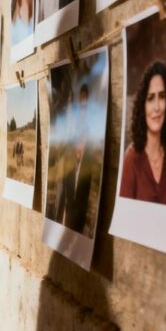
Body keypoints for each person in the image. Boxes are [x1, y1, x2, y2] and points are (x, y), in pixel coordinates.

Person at [119, 61, 166, 205]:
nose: (156, 107)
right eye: (150, 98)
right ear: (142, 106)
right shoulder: (131, 160)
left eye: (162, 96)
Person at [56, 84, 95, 234]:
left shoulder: (88, 118)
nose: (83, 101)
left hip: (80, 160)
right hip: (70, 161)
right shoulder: (75, 115)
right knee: (66, 192)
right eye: (81, 98)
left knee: (79, 195)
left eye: (85, 98)